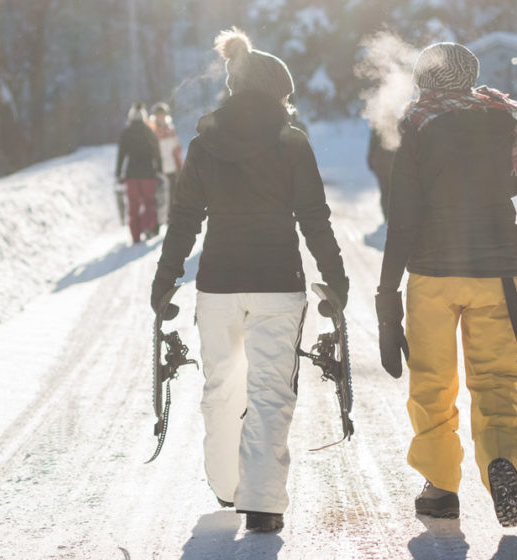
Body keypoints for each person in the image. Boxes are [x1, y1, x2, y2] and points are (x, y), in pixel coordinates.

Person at [150, 27, 348, 533]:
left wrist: (165, 277)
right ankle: (261, 502)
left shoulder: (203, 143)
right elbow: (314, 217)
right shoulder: (292, 143)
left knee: (221, 387)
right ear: (278, 93)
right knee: (269, 391)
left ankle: (226, 484)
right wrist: (336, 277)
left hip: (218, 284)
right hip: (279, 283)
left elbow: (185, 217)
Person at [375, 42, 517, 527]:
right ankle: (502, 461)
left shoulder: (417, 124)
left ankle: (440, 488)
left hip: (433, 276)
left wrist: (386, 295)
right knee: (497, 380)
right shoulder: (508, 121)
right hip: (498, 275)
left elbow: (404, 220)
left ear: (424, 80)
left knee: (433, 382)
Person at [116, 102, 162, 243]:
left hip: (132, 175)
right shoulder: (149, 131)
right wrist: (159, 170)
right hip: (148, 174)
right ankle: (148, 227)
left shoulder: (126, 133)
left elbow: (121, 154)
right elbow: (157, 152)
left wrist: (118, 173)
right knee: (149, 203)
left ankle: (135, 235)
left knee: (133, 206)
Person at [149, 102, 183, 225]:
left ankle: (171, 218)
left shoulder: (170, 129)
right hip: (159, 169)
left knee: (173, 195)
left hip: (173, 167)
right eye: (158, 115)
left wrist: (179, 163)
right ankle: (158, 221)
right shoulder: (152, 131)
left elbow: (177, 147)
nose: (161, 117)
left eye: (162, 114)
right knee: (160, 196)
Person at [366, 126, 395, 221]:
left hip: (380, 163)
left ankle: (387, 216)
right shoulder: (397, 121)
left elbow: (372, 143)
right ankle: (392, 215)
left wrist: (370, 159)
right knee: (393, 191)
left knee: (385, 191)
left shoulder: (378, 122)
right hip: (393, 163)